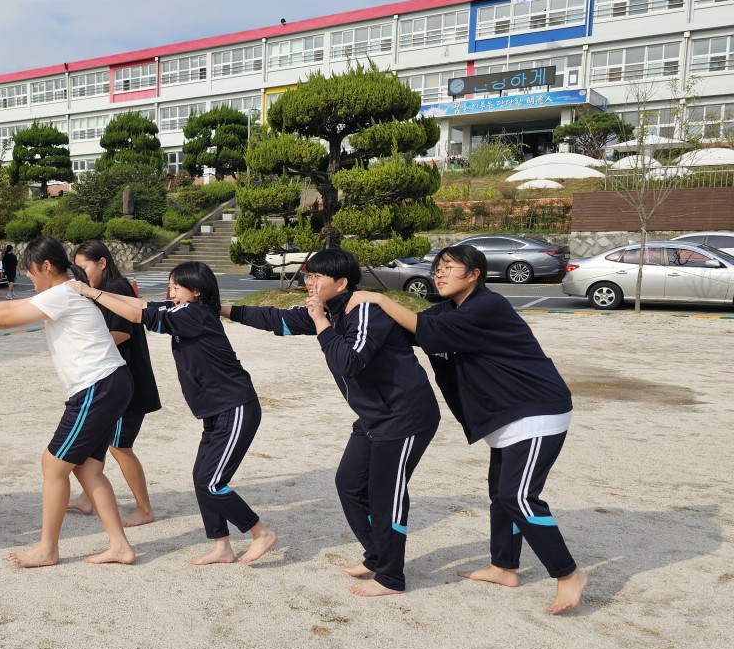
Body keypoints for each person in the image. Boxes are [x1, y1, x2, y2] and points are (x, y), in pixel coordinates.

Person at [350, 244, 588, 614]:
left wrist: (378, 298)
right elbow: (411, 330)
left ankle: (568, 574)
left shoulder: (488, 306)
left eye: (448, 267)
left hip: (537, 409)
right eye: (436, 269)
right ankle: (504, 567)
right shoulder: (451, 309)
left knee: (518, 496)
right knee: (501, 495)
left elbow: (424, 328)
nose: (438, 274)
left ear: (474, 273)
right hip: (506, 415)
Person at [223, 248, 439, 596]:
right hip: (373, 416)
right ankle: (377, 556)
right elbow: (274, 319)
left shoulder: (365, 309)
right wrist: (222, 309)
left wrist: (321, 322)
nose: (310, 283)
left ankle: (392, 577)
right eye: (308, 276)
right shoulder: (329, 309)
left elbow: (349, 362)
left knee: (387, 495)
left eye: (317, 277)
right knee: (349, 484)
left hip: (404, 416)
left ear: (341, 283)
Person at [0, 236, 135, 568]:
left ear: (47, 267)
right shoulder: (66, 289)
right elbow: (6, 307)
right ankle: (120, 546)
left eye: (31, 272)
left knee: (53, 465)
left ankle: (48, 548)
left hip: (98, 386)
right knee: (87, 468)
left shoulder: (63, 293)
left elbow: (6, 320)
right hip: (111, 383)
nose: (30, 279)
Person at [67, 262, 278, 565]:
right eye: (170, 285)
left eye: (177, 286)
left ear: (196, 291)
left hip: (236, 407)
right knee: (201, 477)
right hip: (216, 411)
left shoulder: (192, 314)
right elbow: (142, 303)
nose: (171, 291)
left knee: (212, 482)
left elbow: (139, 314)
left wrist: (90, 292)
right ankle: (222, 546)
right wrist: (94, 293)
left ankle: (260, 532)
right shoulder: (185, 309)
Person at [67, 241, 161, 526]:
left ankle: (144, 509)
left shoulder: (116, 289)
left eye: (84, 267)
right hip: (115, 382)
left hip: (127, 384)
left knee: (120, 447)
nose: (82, 275)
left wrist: (82, 347)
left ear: (102, 263)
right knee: (99, 439)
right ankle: (86, 498)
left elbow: (120, 333)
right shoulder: (106, 290)